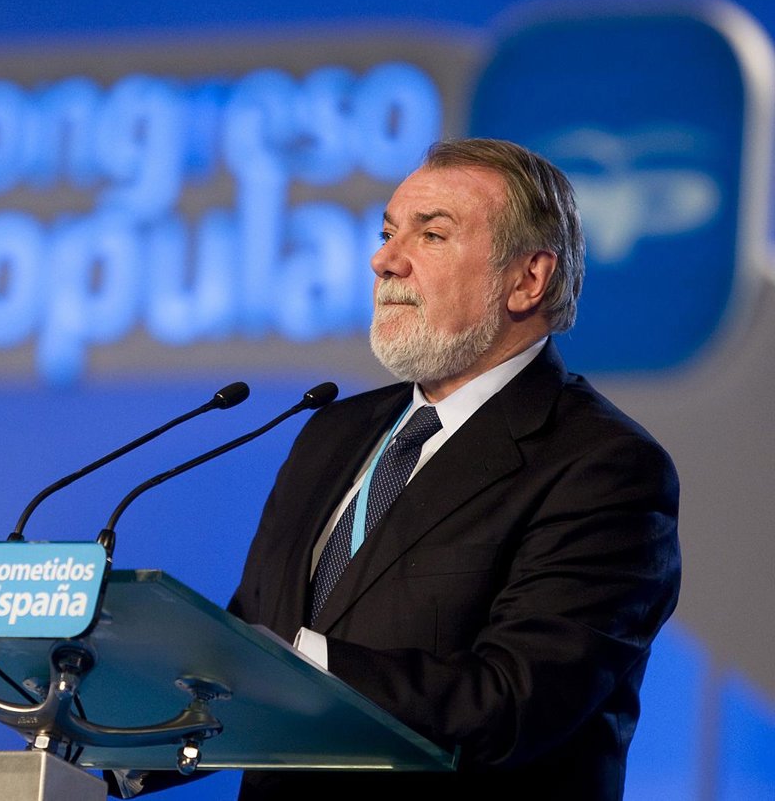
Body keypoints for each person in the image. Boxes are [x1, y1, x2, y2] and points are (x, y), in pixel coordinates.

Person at [226, 138, 681, 800]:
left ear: (527, 280)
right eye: (387, 234)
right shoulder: (332, 432)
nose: (385, 260)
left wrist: (300, 664)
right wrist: (115, 716)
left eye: (431, 235)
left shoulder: (605, 467)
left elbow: (514, 699)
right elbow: (250, 635)